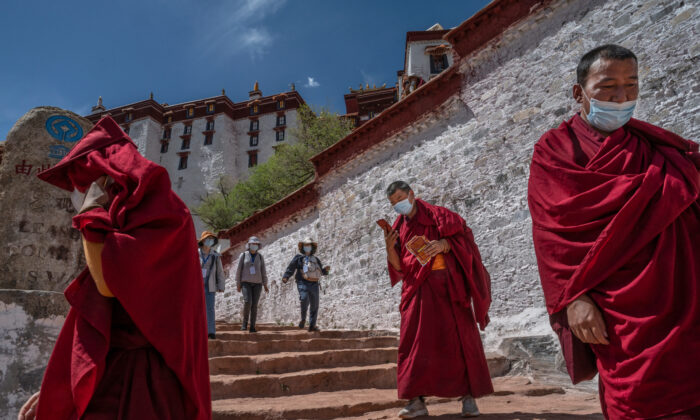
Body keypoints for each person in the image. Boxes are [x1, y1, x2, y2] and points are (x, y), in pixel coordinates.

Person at [528, 44, 699, 419]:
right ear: (580, 92)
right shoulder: (555, 151)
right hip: (616, 311)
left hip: (683, 297)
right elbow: (552, 236)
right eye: (607, 87)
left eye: (631, 86)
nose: (622, 98)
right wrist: (574, 299)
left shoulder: (656, 148)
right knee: (636, 401)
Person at [18, 116, 211, 419]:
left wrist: (91, 213)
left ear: (106, 176)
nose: (76, 193)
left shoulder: (163, 213)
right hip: (112, 371)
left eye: (81, 182)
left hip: (145, 380)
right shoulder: (124, 216)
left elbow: (108, 282)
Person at [382, 181, 493, 419]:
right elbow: (398, 266)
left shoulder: (439, 216)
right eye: (393, 203)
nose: (397, 205)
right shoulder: (398, 228)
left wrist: (444, 244)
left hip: (448, 289)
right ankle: (416, 402)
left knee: (458, 341)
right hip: (417, 291)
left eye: (400, 198)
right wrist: (389, 248)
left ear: (411, 195)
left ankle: (468, 398)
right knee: (414, 345)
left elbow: (466, 243)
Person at [282, 238, 330, 332]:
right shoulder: (298, 258)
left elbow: (320, 271)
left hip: (314, 283)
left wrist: (326, 270)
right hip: (302, 282)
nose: (307, 247)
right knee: (304, 299)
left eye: (309, 245)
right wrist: (286, 276)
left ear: (312, 247)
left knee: (314, 304)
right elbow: (291, 267)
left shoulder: (316, 259)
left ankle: (312, 325)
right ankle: (303, 318)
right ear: (303, 247)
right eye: (305, 245)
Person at [235, 236, 269, 333]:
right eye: (252, 244)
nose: (254, 246)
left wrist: (265, 284)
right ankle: (245, 323)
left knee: (254, 305)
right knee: (247, 301)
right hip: (246, 283)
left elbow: (263, 271)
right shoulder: (243, 255)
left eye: (256, 244)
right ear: (249, 245)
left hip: (258, 284)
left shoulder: (260, 257)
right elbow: (239, 270)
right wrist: (238, 283)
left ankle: (253, 326)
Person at [199, 231, 225, 339]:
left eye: (211, 239)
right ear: (203, 241)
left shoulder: (215, 255)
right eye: (207, 239)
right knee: (198, 309)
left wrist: (221, 285)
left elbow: (219, 271)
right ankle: (199, 331)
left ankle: (211, 331)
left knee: (210, 309)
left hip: (210, 285)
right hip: (197, 286)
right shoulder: (195, 253)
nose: (210, 241)